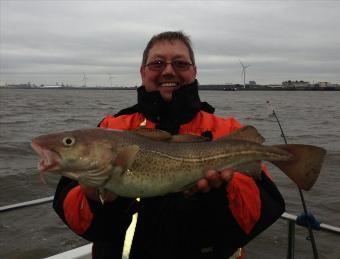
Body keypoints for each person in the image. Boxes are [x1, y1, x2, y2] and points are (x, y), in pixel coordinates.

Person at [53, 31, 285, 259]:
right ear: (142, 72)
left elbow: (263, 212)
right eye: (157, 63)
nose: (168, 70)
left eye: (180, 63)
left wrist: (221, 193)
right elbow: (78, 218)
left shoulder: (229, 131)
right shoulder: (108, 130)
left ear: (194, 71)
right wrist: (98, 201)